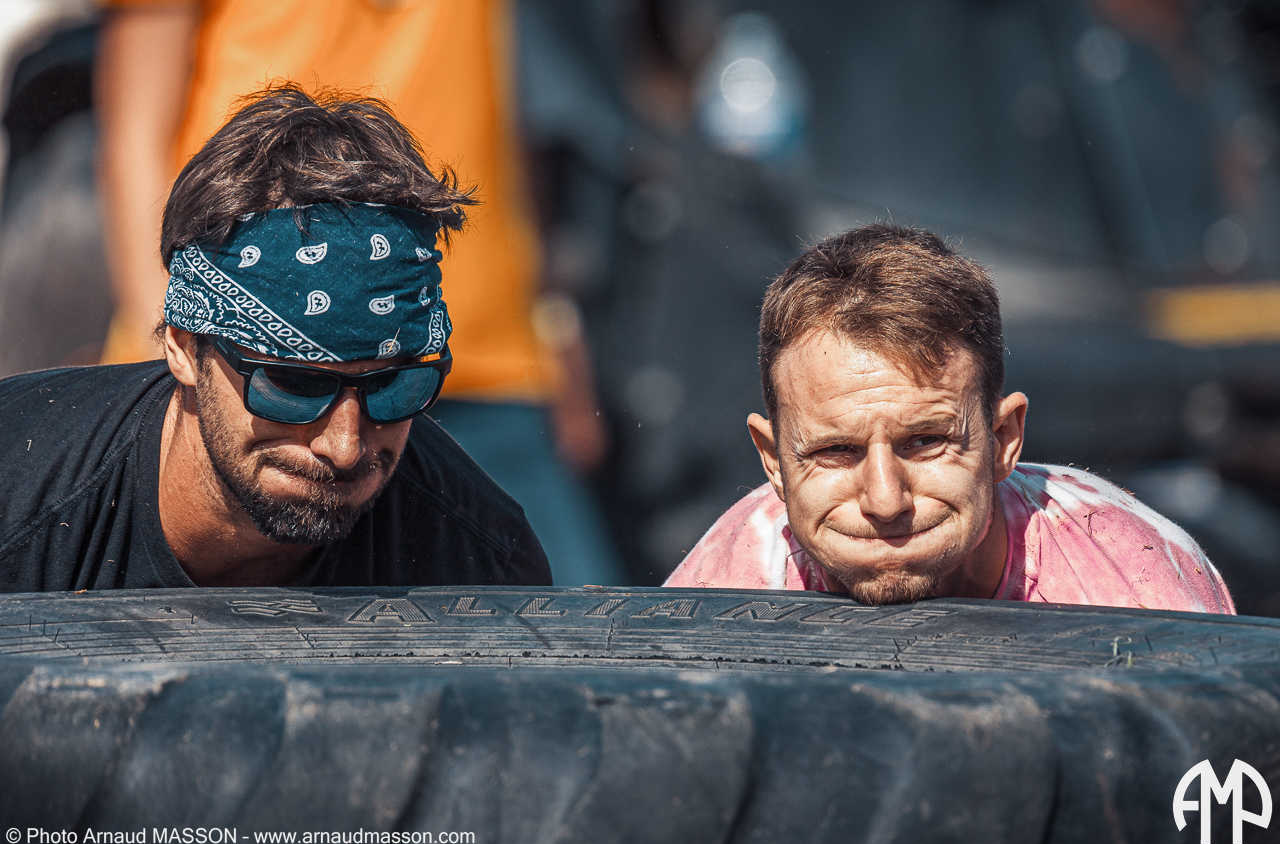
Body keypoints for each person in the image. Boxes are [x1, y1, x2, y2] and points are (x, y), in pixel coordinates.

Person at [93, 0, 623, 586]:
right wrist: (184, 342)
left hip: (464, 359)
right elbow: (133, 136)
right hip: (257, 362)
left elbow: (506, 120)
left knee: (565, 621)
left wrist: (555, 318)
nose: (344, 445)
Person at [0, 86, 550, 591]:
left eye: (392, 387)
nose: (344, 448)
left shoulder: (484, 566)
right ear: (184, 348)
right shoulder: (19, 503)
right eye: (293, 385)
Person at [666, 225, 1235, 613]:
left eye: (925, 442)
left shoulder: (1133, 590)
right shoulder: (728, 585)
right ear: (773, 460)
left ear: (1004, 438)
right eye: (835, 451)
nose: (885, 501)